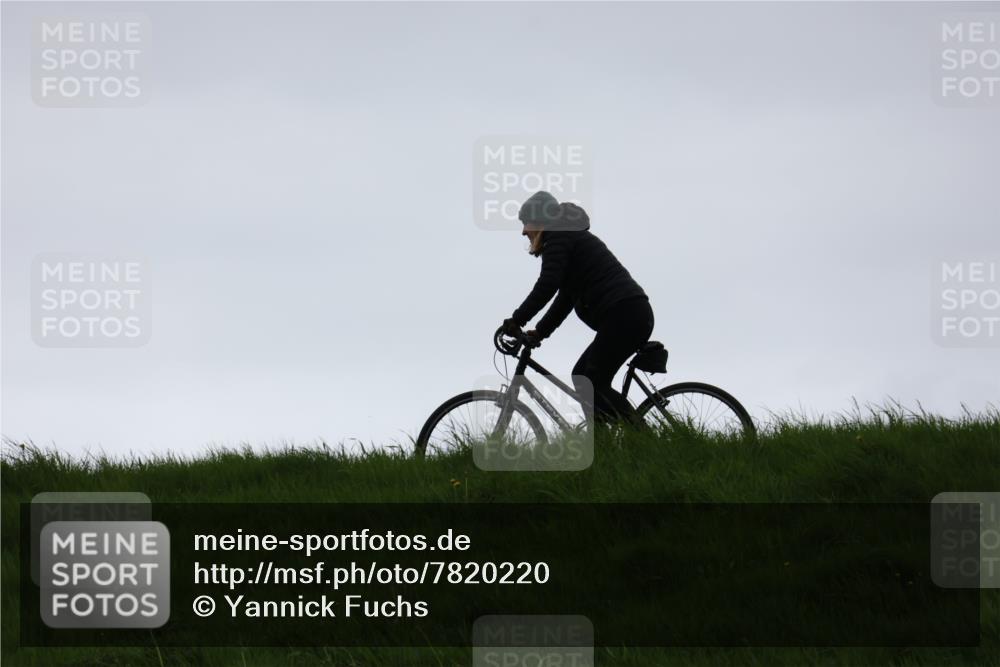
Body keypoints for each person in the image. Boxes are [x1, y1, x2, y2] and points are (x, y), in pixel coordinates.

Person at [502, 190, 654, 426]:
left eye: (525, 223)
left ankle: (645, 440)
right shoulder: (565, 236)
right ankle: (602, 447)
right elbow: (565, 297)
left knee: (591, 380)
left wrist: (517, 319)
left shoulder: (559, 236)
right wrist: (540, 331)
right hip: (627, 314)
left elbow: (548, 284)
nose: (523, 231)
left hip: (624, 314)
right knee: (583, 378)